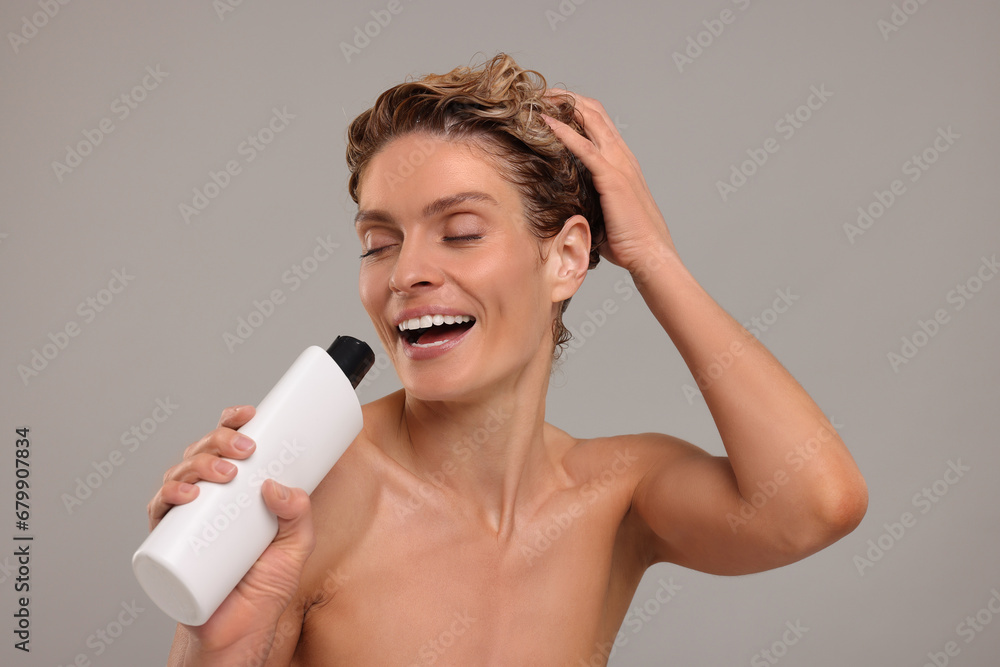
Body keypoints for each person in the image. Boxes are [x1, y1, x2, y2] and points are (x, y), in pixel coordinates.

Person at [148, 53, 868, 666]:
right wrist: (214, 647)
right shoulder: (306, 494)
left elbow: (816, 504)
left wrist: (653, 257)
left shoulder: (615, 497)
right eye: (378, 242)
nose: (405, 274)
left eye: (459, 231)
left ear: (567, 257)